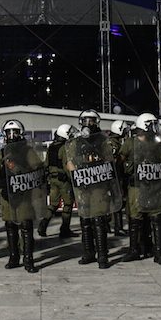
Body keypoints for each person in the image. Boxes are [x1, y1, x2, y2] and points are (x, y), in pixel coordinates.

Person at [65, 109, 121, 269]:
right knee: (85, 221)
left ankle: (102, 256)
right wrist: (75, 175)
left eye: (91, 121)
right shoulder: (76, 143)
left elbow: (110, 161)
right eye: (85, 121)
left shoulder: (104, 141)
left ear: (97, 123)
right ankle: (88, 253)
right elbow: (70, 162)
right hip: (83, 187)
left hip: (99, 187)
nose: (88, 124)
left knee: (98, 221)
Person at [0, 119, 42, 273]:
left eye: (15, 132)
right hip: (7, 195)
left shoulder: (28, 151)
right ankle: (13, 257)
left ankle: (28, 260)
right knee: (10, 226)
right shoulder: (3, 152)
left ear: (20, 133)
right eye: (9, 132)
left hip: (24, 194)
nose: (12, 135)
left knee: (26, 226)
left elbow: (38, 169)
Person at [119, 113, 161, 265]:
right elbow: (120, 161)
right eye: (152, 124)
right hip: (136, 186)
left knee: (156, 218)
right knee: (135, 219)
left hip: (154, 184)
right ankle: (134, 250)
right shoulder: (130, 142)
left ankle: (159, 253)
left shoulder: (158, 142)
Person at [37, 124, 77, 238]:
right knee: (68, 204)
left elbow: (46, 164)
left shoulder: (51, 147)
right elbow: (67, 165)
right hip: (63, 180)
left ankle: (42, 225)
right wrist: (73, 178)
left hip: (53, 179)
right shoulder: (65, 148)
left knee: (53, 204)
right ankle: (65, 230)